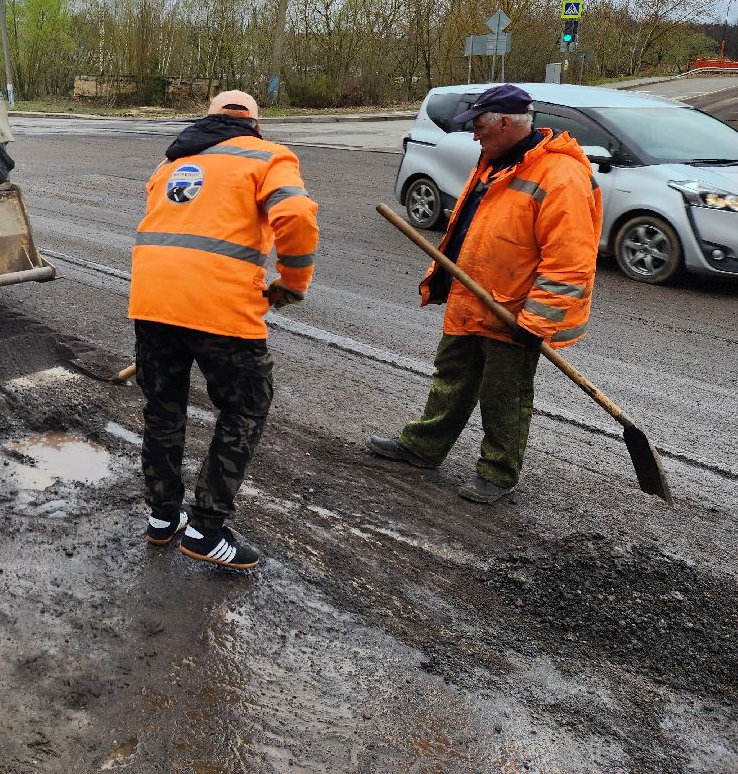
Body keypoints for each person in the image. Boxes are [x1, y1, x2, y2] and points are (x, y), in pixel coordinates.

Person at [368, 83, 601, 503]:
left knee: (504, 397)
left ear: (506, 123)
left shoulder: (560, 175)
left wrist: (536, 322)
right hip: (471, 293)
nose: (474, 135)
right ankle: (423, 447)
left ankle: (497, 473)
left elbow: (570, 263)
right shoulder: (494, 160)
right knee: (451, 378)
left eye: (479, 126)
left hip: (513, 310)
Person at [129, 90, 319, 570]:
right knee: (246, 406)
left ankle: (162, 518)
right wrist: (293, 282)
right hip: (220, 308)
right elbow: (296, 214)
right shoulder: (268, 156)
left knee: (163, 407)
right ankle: (206, 529)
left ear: (208, 119)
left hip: (153, 302)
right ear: (256, 123)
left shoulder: (172, 161)